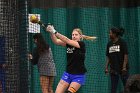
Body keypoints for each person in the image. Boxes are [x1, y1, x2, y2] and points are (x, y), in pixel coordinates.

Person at [46, 25, 96, 93]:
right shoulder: (68, 44)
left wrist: (54, 31)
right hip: (68, 74)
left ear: (80, 36)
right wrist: (51, 32)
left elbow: (67, 40)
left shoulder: (81, 44)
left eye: (76, 35)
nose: (74, 36)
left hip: (78, 75)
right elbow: (56, 41)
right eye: (73, 35)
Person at [105, 27, 129, 93]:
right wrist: (106, 67)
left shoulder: (122, 42)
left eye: (110, 33)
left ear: (114, 34)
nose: (109, 34)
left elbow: (126, 55)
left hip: (123, 69)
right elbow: (108, 56)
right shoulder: (109, 44)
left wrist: (124, 67)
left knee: (127, 88)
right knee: (113, 89)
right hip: (113, 69)